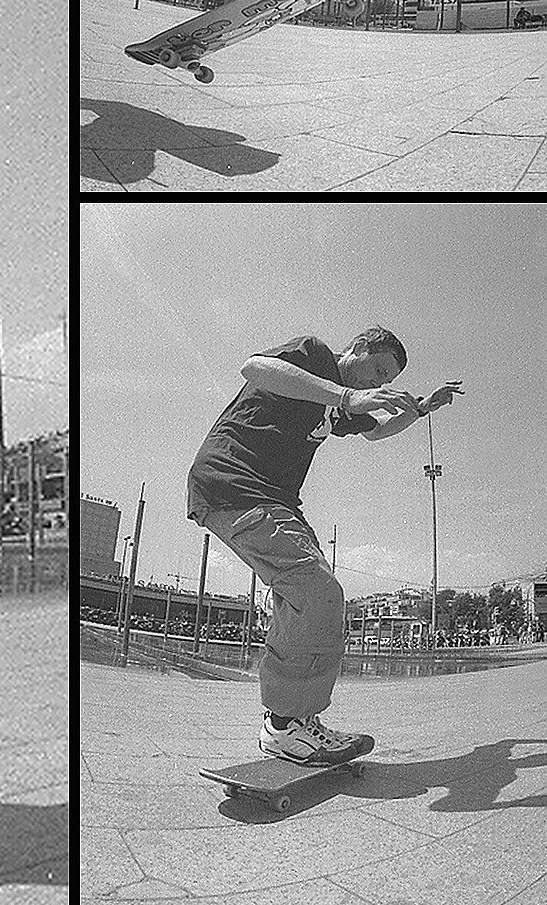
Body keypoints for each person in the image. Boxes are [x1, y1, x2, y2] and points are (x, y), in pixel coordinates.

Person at [186, 327, 463, 765]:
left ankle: (298, 720)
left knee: (317, 598)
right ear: (357, 347)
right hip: (234, 481)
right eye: (375, 370)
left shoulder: (338, 403)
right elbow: (255, 367)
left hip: (275, 499)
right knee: (315, 592)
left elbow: (375, 432)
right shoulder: (315, 357)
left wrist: (423, 408)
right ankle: (283, 727)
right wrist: (345, 396)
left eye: (384, 379)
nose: (375, 383)